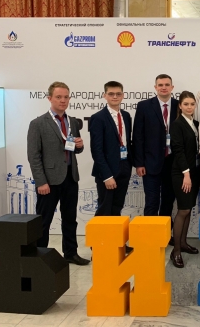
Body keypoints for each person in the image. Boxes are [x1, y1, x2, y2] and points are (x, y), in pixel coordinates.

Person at [27, 81, 89, 266]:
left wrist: (80, 146)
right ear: (49, 98)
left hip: (70, 177)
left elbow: (74, 149)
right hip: (49, 181)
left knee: (70, 219)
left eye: (66, 97)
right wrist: (41, 182)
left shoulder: (72, 122)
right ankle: (39, 257)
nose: (63, 100)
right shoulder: (38, 123)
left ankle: (70, 253)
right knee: (43, 221)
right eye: (59, 97)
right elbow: (33, 156)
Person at [133, 74, 178, 239]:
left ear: (172, 87)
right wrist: (139, 163)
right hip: (150, 163)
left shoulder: (179, 105)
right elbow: (138, 136)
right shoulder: (144, 106)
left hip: (172, 163)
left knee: (168, 202)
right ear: (155, 87)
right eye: (160, 85)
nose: (163, 87)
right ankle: (149, 238)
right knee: (152, 202)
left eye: (167, 84)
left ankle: (165, 236)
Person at [90, 81, 133, 237]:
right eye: (111, 94)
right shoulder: (98, 118)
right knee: (104, 210)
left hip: (124, 167)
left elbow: (127, 142)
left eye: (118, 94)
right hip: (107, 173)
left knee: (117, 208)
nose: (115, 97)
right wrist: (107, 176)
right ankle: (99, 246)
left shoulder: (126, 116)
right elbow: (96, 150)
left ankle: (115, 244)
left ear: (123, 95)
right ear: (105, 95)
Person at [169, 91, 200, 268]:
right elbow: (178, 150)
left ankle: (183, 243)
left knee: (188, 209)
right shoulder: (177, 124)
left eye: (192, 104)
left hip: (194, 172)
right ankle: (176, 251)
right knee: (183, 210)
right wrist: (186, 174)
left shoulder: (195, 124)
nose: (189, 107)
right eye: (186, 104)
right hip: (182, 174)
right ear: (180, 106)